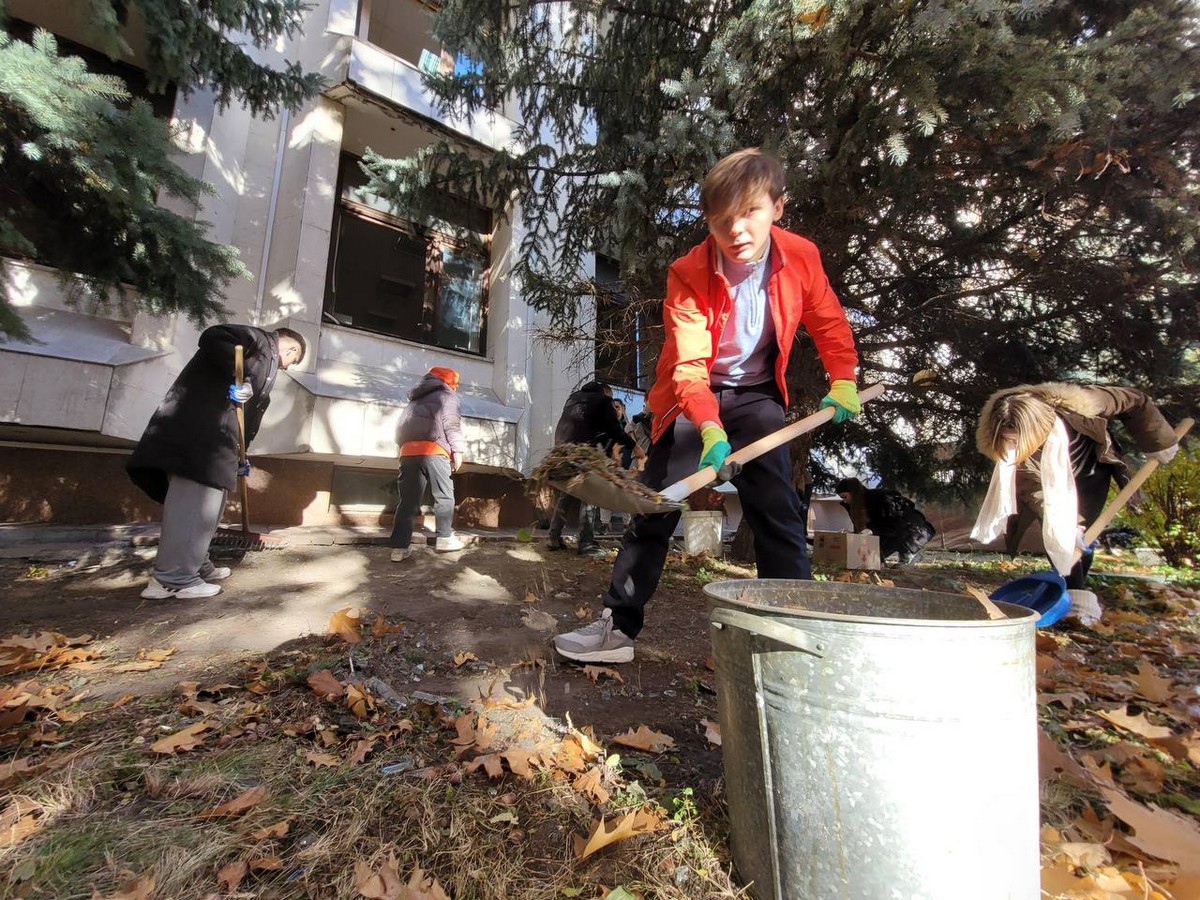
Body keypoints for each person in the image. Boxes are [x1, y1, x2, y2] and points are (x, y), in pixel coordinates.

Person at [554, 147, 860, 663]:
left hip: (758, 395)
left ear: (777, 207)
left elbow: (827, 321)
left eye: (750, 213)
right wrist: (710, 430)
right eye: (722, 221)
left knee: (778, 510)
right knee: (657, 505)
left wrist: (845, 377)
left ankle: (797, 629)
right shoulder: (689, 271)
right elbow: (689, 367)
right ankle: (618, 627)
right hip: (694, 397)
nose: (737, 230)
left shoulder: (801, 257)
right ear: (708, 222)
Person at [127, 324, 306, 599]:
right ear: (291, 348)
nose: (285, 368)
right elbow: (214, 336)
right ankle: (172, 578)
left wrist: (238, 456)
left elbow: (244, 418)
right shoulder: (257, 341)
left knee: (210, 508)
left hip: (218, 444)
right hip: (200, 439)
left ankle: (196, 565)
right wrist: (240, 379)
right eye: (289, 362)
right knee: (193, 507)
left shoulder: (263, 360)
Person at [972, 383, 1179, 589]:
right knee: (1058, 533)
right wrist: (1063, 525)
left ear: (1039, 429)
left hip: (1090, 469)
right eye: (1009, 440)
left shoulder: (1082, 402)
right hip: (1047, 481)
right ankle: (1073, 594)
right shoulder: (1011, 452)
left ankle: (1075, 593)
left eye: (1018, 440)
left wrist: (1159, 442)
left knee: (1086, 533)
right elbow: (1034, 491)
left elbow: (1135, 399)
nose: (1013, 446)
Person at [547, 381, 645, 555]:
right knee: (590, 494)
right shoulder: (603, 401)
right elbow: (614, 429)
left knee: (567, 492)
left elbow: (591, 428)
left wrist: (608, 455)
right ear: (606, 392)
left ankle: (553, 536)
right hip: (583, 451)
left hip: (563, 449)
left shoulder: (574, 398)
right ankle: (586, 543)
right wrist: (635, 447)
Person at [389, 366, 467, 561]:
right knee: (444, 496)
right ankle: (445, 538)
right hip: (435, 451)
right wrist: (457, 450)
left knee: (407, 501)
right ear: (450, 383)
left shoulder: (414, 399)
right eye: (455, 384)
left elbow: (400, 426)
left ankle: (398, 548)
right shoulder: (448, 396)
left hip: (408, 452)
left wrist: (403, 449)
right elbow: (451, 423)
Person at [835, 477, 935, 565]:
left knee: (898, 539)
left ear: (854, 493)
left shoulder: (881, 499)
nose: (845, 501)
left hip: (911, 530)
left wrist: (871, 531)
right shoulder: (854, 507)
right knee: (871, 552)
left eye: (845, 496)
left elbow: (896, 524)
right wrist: (852, 534)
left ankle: (909, 552)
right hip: (886, 532)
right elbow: (863, 530)